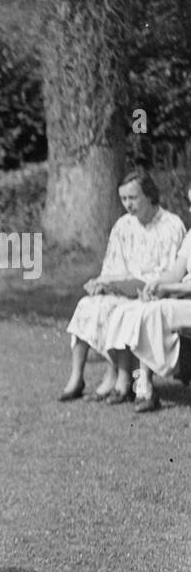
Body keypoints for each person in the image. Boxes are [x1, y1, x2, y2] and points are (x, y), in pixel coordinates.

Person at [59, 171, 185, 403]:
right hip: (123, 288)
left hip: (150, 291)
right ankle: (76, 378)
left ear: (149, 195)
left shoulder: (170, 225)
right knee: (88, 305)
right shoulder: (123, 225)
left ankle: (121, 379)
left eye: (133, 198)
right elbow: (112, 266)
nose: (128, 205)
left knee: (121, 312)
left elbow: (170, 273)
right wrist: (104, 284)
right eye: (124, 199)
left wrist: (146, 286)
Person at [103, 191, 191, 413]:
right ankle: (139, 385)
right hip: (182, 300)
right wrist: (156, 284)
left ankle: (146, 388)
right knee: (138, 309)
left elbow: (179, 284)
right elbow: (176, 272)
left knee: (151, 313)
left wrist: (169, 288)